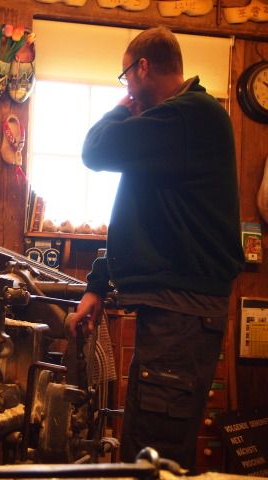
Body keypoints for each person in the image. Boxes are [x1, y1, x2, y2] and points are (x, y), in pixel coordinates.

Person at [71, 26, 245, 472]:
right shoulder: (175, 126)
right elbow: (144, 221)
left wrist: (119, 108)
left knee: (153, 458)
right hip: (174, 313)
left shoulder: (189, 116)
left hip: (180, 315)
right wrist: (97, 284)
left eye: (126, 77)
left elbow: (95, 150)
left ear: (142, 67)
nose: (128, 88)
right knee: (147, 450)